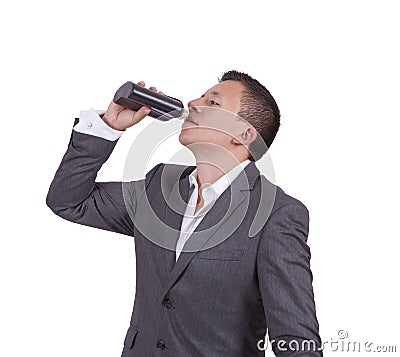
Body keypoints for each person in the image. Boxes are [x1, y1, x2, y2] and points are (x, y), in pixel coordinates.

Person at [46, 70, 322, 356]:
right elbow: (68, 201)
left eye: (212, 102)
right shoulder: (158, 188)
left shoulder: (276, 213)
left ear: (244, 134)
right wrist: (108, 127)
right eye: (200, 96)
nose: (192, 102)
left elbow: (296, 338)